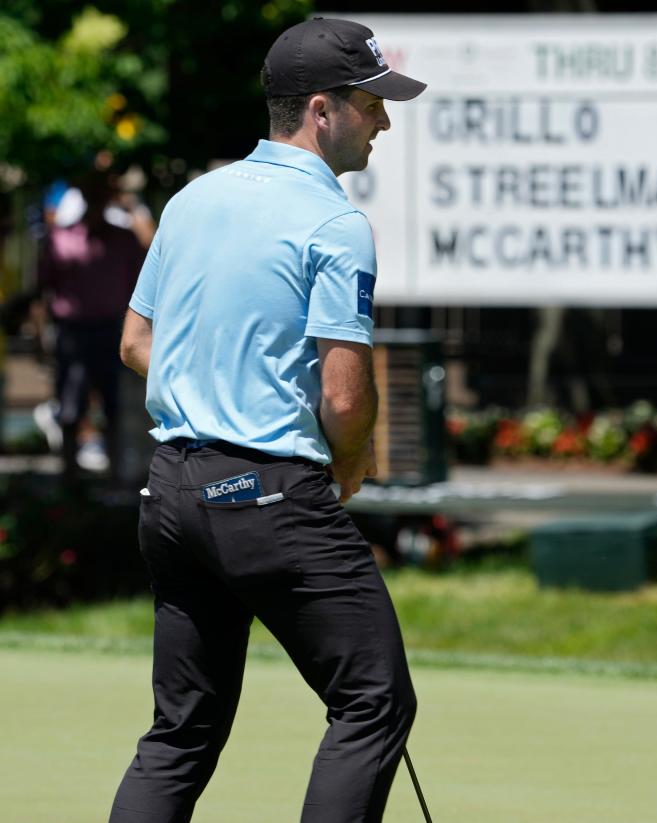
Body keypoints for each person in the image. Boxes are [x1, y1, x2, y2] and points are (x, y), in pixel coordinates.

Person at [109, 17, 426, 823]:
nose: (384, 121)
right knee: (373, 701)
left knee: (181, 730)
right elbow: (347, 399)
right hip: (273, 500)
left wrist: (218, 384)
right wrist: (347, 466)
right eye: (371, 104)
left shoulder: (191, 199)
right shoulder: (335, 224)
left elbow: (137, 342)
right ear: (322, 110)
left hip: (172, 493)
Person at [36, 174, 145, 478]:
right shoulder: (60, 238)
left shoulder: (124, 239)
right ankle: (69, 479)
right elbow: (43, 286)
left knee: (114, 407)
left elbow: (143, 289)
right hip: (72, 332)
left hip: (111, 330)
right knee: (70, 406)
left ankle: (116, 478)